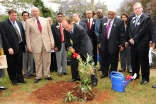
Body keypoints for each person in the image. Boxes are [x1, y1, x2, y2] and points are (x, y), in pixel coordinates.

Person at [62, 16, 97, 86]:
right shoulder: (65, 30)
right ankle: (75, 78)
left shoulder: (80, 29)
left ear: (71, 23)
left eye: (67, 27)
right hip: (76, 45)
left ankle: (94, 80)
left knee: (90, 62)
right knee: (73, 61)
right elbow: (66, 39)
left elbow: (83, 44)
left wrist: (79, 54)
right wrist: (70, 47)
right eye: (64, 27)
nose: (66, 29)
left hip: (86, 45)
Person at [25, 7, 54, 83]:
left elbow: (50, 32)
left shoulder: (45, 20)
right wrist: (29, 46)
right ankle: (38, 76)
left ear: (39, 12)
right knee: (37, 61)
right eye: (33, 11)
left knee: (47, 61)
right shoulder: (28, 21)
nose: (35, 12)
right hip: (35, 44)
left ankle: (47, 75)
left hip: (46, 43)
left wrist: (52, 42)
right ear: (31, 13)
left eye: (36, 11)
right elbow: (27, 35)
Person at [0, 9, 26, 85]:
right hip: (11, 48)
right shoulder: (3, 24)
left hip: (20, 46)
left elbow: (22, 34)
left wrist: (24, 44)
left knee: (19, 63)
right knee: (11, 65)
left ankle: (20, 78)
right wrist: (8, 47)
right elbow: (4, 37)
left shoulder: (19, 23)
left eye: (15, 15)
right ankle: (14, 80)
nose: (14, 17)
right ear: (9, 15)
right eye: (12, 15)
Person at [98, 7, 125, 79]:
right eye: (108, 14)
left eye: (111, 14)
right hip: (104, 44)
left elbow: (122, 34)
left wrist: (122, 44)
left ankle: (112, 73)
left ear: (115, 14)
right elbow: (100, 32)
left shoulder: (120, 21)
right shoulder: (103, 20)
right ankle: (104, 73)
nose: (110, 16)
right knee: (104, 59)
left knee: (114, 60)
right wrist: (99, 42)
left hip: (114, 44)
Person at [128, 2, 151, 85]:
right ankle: (135, 75)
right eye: (135, 9)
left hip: (142, 44)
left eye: (138, 8)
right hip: (133, 44)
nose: (137, 10)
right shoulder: (132, 18)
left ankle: (145, 78)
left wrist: (134, 39)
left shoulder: (146, 18)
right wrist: (130, 39)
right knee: (134, 61)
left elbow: (143, 31)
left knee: (143, 61)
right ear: (133, 10)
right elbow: (129, 30)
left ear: (142, 8)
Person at [51, 13, 68, 77]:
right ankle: (59, 71)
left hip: (65, 44)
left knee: (64, 58)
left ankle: (64, 70)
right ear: (56, 17)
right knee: (58, 58)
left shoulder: (65, 25)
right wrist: (54, 46)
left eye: (61, 16)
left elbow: (67, 35)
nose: (60, 17)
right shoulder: (53, 26)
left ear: (62, 17)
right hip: (58, 44)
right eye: (59, 16)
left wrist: (68, 45)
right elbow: (52, 36)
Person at [21, 11, 35, 79]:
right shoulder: (20, 24)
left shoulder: (31, 23)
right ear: (22, 16)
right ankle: (25, 73)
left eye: (27, 15)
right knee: (24, 59)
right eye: (24, 15)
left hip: (31, 44)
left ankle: (30, 72)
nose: (26, 17)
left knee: (31, 58)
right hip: (24, 44)